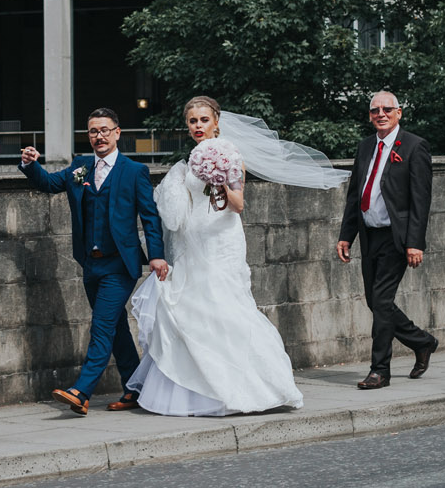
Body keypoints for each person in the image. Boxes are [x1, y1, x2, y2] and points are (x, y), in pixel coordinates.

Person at [127, 96, 347, 417]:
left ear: (216, 121)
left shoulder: (229, 154)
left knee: (224, 307)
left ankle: (253, 388)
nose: (198, 126)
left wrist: (219, 179)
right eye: (192, 121)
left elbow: (239, 204)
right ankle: (196, 391)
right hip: (192, 240)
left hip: (221, 240)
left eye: (204, 120)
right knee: (191, 309)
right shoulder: (189, 160)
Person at [20, 107, 168, 416]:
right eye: (92, 131)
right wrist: (30, 165)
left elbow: (150, 217)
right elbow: (48, 183)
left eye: (104, 130)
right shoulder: (80, 167)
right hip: (91, 264)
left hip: (120, 265)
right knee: (115, 328)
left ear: (117, 133)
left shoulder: (134, 171)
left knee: (101, 326)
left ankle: (81, 390)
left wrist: (155, 255)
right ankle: (135, 388)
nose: (98, 136)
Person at [336, 91, 436, 390]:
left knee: (381, 301)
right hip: (369, 234)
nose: (381, 114)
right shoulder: (366, 146)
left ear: (399, 113)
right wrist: (346, 236)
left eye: (387, 109)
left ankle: (380, 371)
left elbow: (421, 200)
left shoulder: (414, 146)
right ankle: (422, 342)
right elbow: (356, 193)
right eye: (375, 110)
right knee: (375, 301)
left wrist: (415, 243)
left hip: (397, 236)